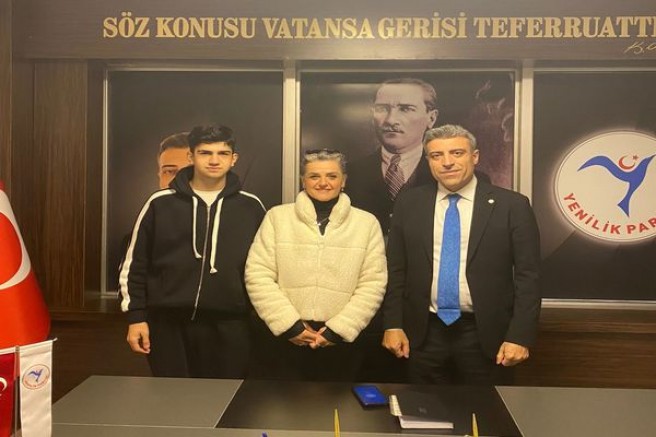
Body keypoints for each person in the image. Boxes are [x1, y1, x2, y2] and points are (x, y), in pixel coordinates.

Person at [382, 124, 541, 385]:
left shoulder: (512, 205)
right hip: (422, 333)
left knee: (486, 409)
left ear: (474, 157)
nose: (447, 162)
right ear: (428, 160)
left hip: (486, 334)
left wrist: (520, 336)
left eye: (457, 153)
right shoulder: (409, 203)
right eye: (437, 155)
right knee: (422, 408)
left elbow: (528, 277)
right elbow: (396, 269)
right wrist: (393, 324)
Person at [119, 124, 266, 378]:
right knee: (173, 396)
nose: (214, 160)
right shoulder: (159, 203)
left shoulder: (251, 207)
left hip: (230, 324)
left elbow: (265, 267)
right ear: (191, 157)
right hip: (167, 324)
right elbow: (135, 265)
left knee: (224, 397)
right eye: (205, 153)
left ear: (234, 159)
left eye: (222, 153)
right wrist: (136, 317)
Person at [245, 149, 387, 381]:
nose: (323, 183)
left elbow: (373, 283)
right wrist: (290, 326)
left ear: (343, 180)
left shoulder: (366, 223)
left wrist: (338, 330)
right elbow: (257, 274)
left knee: (339, 403)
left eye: (331, 176)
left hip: (342, 345)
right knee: (279, 403)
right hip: (282, 341)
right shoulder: (277, 217)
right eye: (314, 176)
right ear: (303, 180)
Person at [345, 78, 438, 235]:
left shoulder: (445, 174)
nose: (390, 120)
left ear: (431, 118)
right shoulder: (349, 173)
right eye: (382, 108)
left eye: (405, 109)